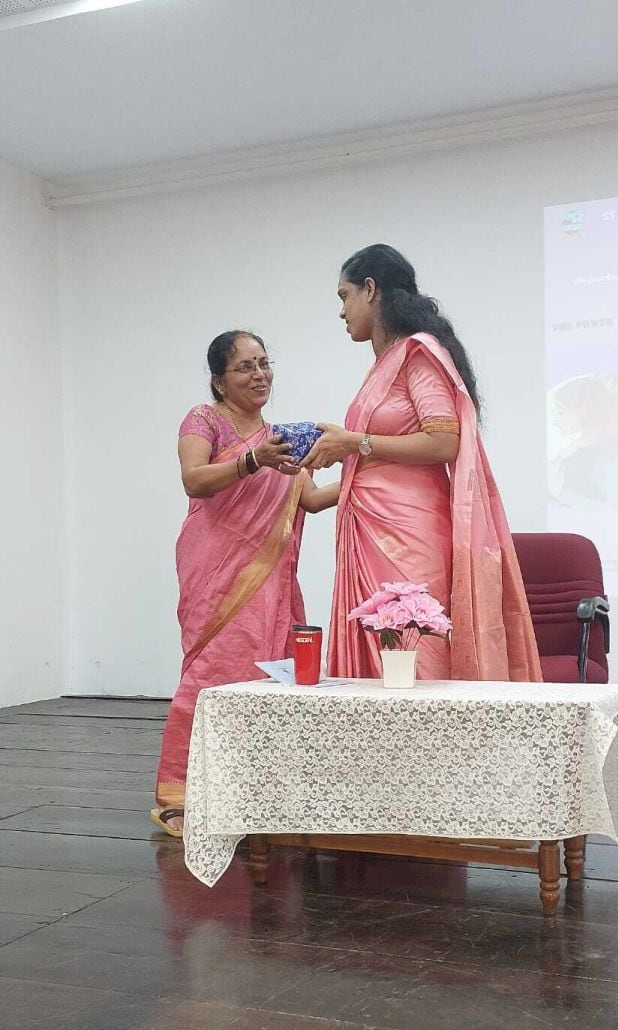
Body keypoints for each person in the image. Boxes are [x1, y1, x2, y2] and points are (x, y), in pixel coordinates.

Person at [302, 244, 542, 682]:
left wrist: (354, 442)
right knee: (378, 667)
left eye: (344, 296)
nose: (341, 311)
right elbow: (377, 468)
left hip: (408, 534)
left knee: (413, 654)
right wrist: (312, 457)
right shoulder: (383, 365)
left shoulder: (417, 352)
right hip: (370, 526)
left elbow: (443, 441)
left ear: (370, 289)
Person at [153, 330, 337, 836]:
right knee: (210, 677)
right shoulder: (204, 419)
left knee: (273, 679)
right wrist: (253, 460)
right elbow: (194, 479)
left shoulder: (281, 436)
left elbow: (311, 499)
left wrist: (369, 471)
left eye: (264, 363)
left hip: (271, 583)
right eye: (245, 367)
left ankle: (262, 791)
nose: (260, 375)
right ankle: (183, 793)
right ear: (219, 380)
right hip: (216, 575)